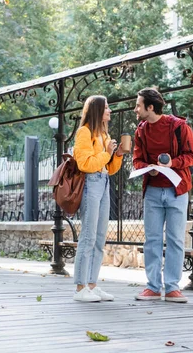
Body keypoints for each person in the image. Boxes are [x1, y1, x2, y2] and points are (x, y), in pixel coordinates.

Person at [132, 87, 193, 303]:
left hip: (176, 190)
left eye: (138, 105)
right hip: (152, 190)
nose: (135, 109)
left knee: (175, 239)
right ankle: (152, 287)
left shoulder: (179, 127)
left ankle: (172, 288)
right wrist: (148, 168)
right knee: (152, 240)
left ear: (150, 107)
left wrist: (173, 163)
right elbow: (136, 160)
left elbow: (192, 156)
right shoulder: (141, 130)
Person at [72, 95, 126, 302]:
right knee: (88, 236)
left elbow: (109, 169)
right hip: (91, 183)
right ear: (96, 111)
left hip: (103, 182)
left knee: (100, 237)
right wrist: (106, 153)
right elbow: (85, 163)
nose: (110, 111)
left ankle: (92, 286)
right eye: (106, 108)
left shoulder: (104, 134)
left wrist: (117, 154)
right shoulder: (84, 132)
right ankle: (79, 288)